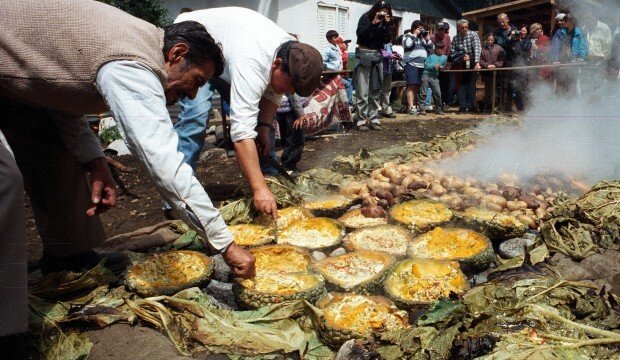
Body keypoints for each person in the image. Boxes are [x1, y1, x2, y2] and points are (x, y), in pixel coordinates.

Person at [0, 0, 261, 349]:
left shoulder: (145, 44)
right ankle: (6, 329)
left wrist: (95, 160)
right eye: (196, 80)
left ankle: (69, 258)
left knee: (56, 155)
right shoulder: (131, 63)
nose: (194, 94)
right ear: (177, 53)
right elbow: (163, 162)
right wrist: (226, 244)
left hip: (23, 85)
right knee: (4, 182)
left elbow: (58, 93)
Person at [175, 7, 322, 215]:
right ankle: (178, 197)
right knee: (196, 119)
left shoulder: (288, 52)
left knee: (262, 124)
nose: (289, 92)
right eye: (290, 85)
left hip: (228, 55)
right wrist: (258, 189)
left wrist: (263, 126)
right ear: (277, 64)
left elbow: (273, 92)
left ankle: (269, 176)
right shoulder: (252, 62)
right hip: (193, 46)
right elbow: (241, 131)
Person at [354, 0, 393, 131]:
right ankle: (361, 119)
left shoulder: (385, 23)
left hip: (377, 56)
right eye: (381, 12)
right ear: (375, 10)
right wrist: (374, 23)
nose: (383, 14)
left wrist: (386, 25)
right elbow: (360, 35)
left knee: (375, 89)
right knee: (362, 90)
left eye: (386, 13)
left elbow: (387, 39)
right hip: (363, 54)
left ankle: (373, 117)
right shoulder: (365, 18)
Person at [403, 20, 433, 115]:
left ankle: (414, 105)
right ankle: (410, 107)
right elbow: (408, 45)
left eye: (422, 29)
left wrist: (427, 38)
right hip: (411, 64)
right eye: (419, 29)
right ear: (414, 28)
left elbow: (431, 48)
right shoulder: (408, 36)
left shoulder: (422, 39)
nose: (421, 31)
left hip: (421, 65)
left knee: (416, 86)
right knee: (411, 85)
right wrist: (414, 35)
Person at [451, 19, 482, 112]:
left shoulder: (473, 35)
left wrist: (476, 63)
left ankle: (471, 105)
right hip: (461, 63)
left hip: (472, 61)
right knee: (461, 84)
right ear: (458, 28)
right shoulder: (456, 37)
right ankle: (462, 105)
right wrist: (461, 57)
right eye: (462, 28)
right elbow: (452, 52)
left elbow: (477, 48)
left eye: (466, 27)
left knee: (471, 84)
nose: (464, 29)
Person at [275, 93, 306, 174]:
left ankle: (287, 164)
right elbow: (292, 92)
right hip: (291, 109)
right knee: (296, 139)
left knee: (287, 138)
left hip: (284, 108)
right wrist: (299, 112)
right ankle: (289, 166)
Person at [419, 42, 448, 115]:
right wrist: (433, 66)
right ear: (435, 49)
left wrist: (442, 67)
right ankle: (421, 108)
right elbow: (426, 65)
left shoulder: (444, 57)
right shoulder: (431, 56)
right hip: (426, 74)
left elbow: (443, 67)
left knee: (438, 93)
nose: (440, 50)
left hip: (435, 77)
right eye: (438, 48)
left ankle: (438, 109)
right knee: (423, 92)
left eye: (441, 48)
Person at [480, 34, 506, 112]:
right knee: (488, 89)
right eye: (489, 40)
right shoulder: (482, 49)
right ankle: (485, 104)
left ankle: (493, 106)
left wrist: (496, 65)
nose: (490, 41)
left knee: (495, 90)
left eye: (492, 40)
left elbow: (502, 58)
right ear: (486, 40)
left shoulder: (499, 48)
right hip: (486, 73)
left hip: (497, 72)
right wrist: (486, 65)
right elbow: (480, 59)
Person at [433, 22, 452, 110]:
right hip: (435, 62)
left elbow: (448, 49)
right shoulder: (433, 37)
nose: (441, 31)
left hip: (445, 61)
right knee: (436, 84)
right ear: (437, 29)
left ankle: (446, 102)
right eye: (439, 29)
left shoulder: (447, 37)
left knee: (446, 84)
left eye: (443, 29)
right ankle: (438, 103)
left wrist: (446, 61)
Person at [379, 41, 397, 118]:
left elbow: (390, 53)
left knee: (387, 90)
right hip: (380, 68)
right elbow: (380, 52)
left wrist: (395, 57)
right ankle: (377, 110)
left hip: (389, 69)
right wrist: (390, 55)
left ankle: (386, 109)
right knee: (377, 89)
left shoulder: (389, 44)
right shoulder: (379, 40)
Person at [336, 37, 354, 105]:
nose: (347, 45)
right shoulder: (340, 54)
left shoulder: (345, 54)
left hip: (344, 76)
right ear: (340, 44)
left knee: (352, 81)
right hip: (337, 76)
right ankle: (348, 104)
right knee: (348, 84)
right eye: (346, 43)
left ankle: (351, 101)